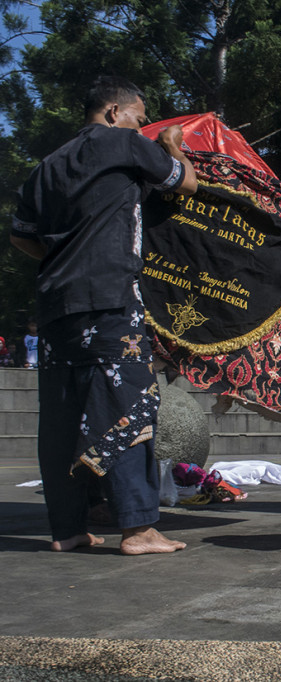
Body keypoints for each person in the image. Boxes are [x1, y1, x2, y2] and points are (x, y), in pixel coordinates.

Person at [11, 75, 197, 553]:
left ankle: (67, 529)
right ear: (115, 112)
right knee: (130, 405)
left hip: (56, 305)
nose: (143, 124)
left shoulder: (47, 166)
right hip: (111, 297)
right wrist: (173, 144)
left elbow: (21, 235)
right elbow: (187, 183)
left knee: (62, 416)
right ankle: (138, 528)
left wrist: (65, 258)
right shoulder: (125, 143)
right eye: (139, 115)